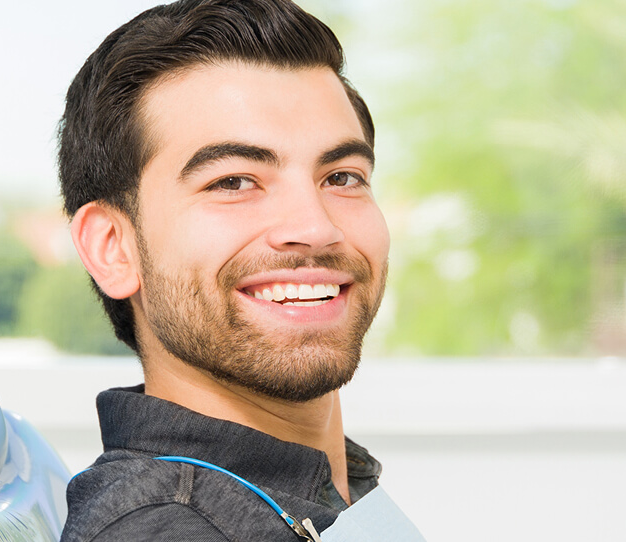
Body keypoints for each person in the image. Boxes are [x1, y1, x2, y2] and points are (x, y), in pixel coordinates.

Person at [55, 0, 391, 540]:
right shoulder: (170, 530)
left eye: (342, 177)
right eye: (233, 182)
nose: (316, 227)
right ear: (113, 248)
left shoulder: (325, 489)